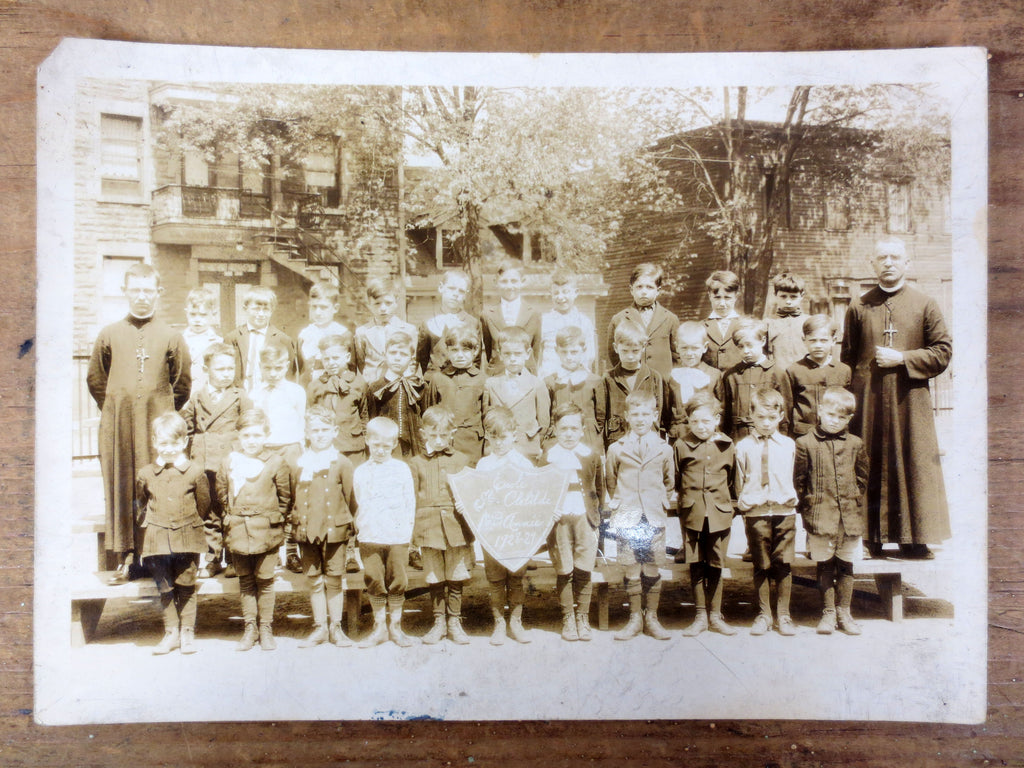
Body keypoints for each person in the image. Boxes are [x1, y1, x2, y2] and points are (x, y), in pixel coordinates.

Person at [841, 238, 952, 560]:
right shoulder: (859, 306)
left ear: (907, 263)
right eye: (881, 257)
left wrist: (903, 358)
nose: (888, 262)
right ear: (872, 264)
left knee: (913, 463)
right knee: (867, 463)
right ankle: (867, 537)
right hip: (869, 403)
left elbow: (943, 352)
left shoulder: (925, 303)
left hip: (909, 401)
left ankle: (914, 538)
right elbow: (847, 358)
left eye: (895, 257)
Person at [87, 263, 191, 584]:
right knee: (121, 487)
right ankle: (125, 556)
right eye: (136, 290)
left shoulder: (172, 336)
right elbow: (96, 379)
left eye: (149, 290)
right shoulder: (109, 334)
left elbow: (182, 384)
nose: (142, 297)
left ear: (157, 293)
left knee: (154, 483)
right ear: (125, 292)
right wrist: (121, 407)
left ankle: (155, 553)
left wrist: (155, 407)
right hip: (118, 427)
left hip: (155, 426)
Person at [213, 408, 292, 651]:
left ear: (266, 436)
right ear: (238, 437)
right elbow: (222, 494)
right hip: (238, 531)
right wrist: (234, 517)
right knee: (245, 581)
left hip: (267, 532)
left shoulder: (276, 462)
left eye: (257, 435)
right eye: (246, 436)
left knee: (265, 581)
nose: (251, 441)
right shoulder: (229, 462)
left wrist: (272, 520)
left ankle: (266, 627)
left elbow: (285, 498)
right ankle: (250, 628)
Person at [135, 412, 211, 655]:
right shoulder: (146, 474)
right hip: (157, 540)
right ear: (155, 443)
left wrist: (187, 523)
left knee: (186, 584)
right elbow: (140, 504)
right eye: (163, 443)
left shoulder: (195, 472)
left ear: (184, 442)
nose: (168, 449)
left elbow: (204, 505)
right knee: (165, 588)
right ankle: (171, 633)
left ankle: (187, 632)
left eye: (174, 443)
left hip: (187, 537)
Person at [794, 387, 869, 636]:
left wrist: (850, 500)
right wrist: (812, 506)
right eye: (830, 414)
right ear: (820, 411)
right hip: (820, 515)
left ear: (849, 418)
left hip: (848, 517)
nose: (835, 420)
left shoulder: (856, 444)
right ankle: (827, 612)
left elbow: (862, 480)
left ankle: (844, 612)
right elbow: (800, 481)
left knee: (846, 564)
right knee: (825, 564)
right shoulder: (805, 443)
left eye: (841, 417)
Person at [605, 391, 676, 641]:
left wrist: (657, 501)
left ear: (655, 415)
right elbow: (611, 480)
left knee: (652, 564)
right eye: (635, 414)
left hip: (653, 514)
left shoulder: (664, 449)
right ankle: (635, 618)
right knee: (632, 566)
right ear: (626, 416)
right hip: (628, 514)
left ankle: (652, 618)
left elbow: (669, 482)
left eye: (646, 414)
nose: (640, 419)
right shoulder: (616, 449)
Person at [179, 342, 253, 578]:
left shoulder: (239, 395)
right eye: (220, 369)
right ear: (206, 369)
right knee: (209, 512)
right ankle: (212, 559)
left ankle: (233, 558)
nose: (226, 374)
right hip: (204, 462)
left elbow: (249, 424)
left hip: (230, 462)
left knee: (230, 509)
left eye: (230, 369)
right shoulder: (198, 397)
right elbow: (187, 428)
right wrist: (192, 456)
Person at [290, 405, 357, 648]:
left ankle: (336, 628)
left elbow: (351, 499)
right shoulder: (299, 463)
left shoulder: (341, 463)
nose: (319, 434)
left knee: (334, 579)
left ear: (334, 431)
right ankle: (319, 627)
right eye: (314, 430)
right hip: (307, 531)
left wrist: (345, 525)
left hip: (334, 532)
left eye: (324, 430)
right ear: (307, 432)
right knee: (315, 580)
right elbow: (291, 495)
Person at [408, 406, 475, 645]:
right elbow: (411, 498)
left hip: (456, 527)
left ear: (452, 434)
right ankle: (438, 621)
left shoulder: (462, 460)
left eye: (443, 435)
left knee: (455, 575)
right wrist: (414, 534)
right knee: (435, 576)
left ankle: (454, 621)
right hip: (428, 528)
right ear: (423, 433)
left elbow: (470, 496)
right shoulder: (415, 463)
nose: (438, 440)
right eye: (433, 435)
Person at [734, 388, 799, 636]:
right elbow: (739, 479)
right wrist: (747, 501)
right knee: (761, 564)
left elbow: (795, 475)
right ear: (751, 415)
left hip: (784, 510)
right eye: (760, 417)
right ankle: (764, 614)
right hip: (756, 512)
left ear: (781, 416)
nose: (766, 423)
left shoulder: (789, 445)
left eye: (771, 418)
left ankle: (784, 615)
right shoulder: (743, 447)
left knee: (783, 563)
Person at [673, 393, 737, 637]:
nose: (701, 426)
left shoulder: (727, 446)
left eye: (706, 421)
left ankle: (715, 615)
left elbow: (732, 481)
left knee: (716, 563)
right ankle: (700, 615)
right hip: (692, 514)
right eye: (695, 421)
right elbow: (677, 480)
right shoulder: (680, 446)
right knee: (697, 564)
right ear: (688, 421)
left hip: (719, 513)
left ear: (717, 420)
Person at [540, 403, 603, 642]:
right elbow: (540, 491)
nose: (568, 434)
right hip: (559, 520)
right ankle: (568, 616)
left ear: (582, 429)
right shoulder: (547, 456)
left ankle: (582, 617)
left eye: (574, 429)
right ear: (555, 429)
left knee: (584, 566)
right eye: (563, 428)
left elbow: (599, 489)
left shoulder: (590, 455)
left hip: (584, 517)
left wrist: (597, 518)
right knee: (564, 568)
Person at [353, 417, 418, 648]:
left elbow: (409, 502)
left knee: (398, 580)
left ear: (394, 444)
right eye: (376, 444)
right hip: (370, 535)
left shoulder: (401, 469)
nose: (380, 450)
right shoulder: (360, 472)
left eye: (385, 445)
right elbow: (358, 502)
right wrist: (362, 528)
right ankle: (379, 628)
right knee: (374, 579)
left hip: (397, 536)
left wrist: (407, 534)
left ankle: (396, 628)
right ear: (367, 441)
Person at [475, 407, 536, 645]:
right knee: (495, 578)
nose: (498, 442)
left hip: (516, 530)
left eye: (503, 436)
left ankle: (515, 622)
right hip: (493, 531)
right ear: (487, 436)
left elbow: (533, 499)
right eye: (493, 436)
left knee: (516, 576)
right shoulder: (483, 465)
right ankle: (499, 623)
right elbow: (477, 498)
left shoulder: (524, 464)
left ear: (514, 434)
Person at [596, 320, 669, 449]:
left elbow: (659, 413)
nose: (630, 356)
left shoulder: (654, 377)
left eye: (635, 351)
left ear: (643, 347)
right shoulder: (608, 378)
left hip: (648, 442)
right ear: (615, 348)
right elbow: (601, 416)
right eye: (625, 351)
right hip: (618, 442)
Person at [483, 326, 550, 460]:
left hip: (527, 448)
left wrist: (537, 445)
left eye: (518, 353)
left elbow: (544, 422)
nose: (512, 358)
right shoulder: (491, 384)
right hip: (498, 449)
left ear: (528, 353)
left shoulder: (537, 384)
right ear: (500, 354)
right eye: (507, 354)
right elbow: (486, 418)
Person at [422, 324, 487, 461]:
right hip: (444, 443)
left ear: (475, 351)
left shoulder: (482, 380)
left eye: (465, 350)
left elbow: (486, 415)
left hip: (472, 443)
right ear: (447, 351)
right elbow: (429, 412)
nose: (460, 355)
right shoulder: (438, 378)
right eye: (454, 350)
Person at [718, 319, 789, 440]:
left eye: (750, 345)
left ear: (762, 341)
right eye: (740, 346)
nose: (745, 351)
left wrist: (782, 439)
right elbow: (726, 414)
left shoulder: (777, 373)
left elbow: (785, 413)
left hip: (769, 436)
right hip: (738, 437)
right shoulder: (731, 376)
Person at [607, 263, 679, 378]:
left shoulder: (670, 319)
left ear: (658, 291)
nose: (644, 291)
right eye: (639, 287)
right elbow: (613, 355)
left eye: (649, 287)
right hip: (632, 381)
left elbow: (677, 355)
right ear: (631, 290)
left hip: (663, 384)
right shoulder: (619, 319)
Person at [306, 332, 368, 466]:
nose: (331, 363)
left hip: (352, 446)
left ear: (346, 357)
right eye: (326, 359)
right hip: (325, 446)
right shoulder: (315, 386)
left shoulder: (358, 383)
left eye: (335, 358)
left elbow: (364, 416)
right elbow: (310, 416)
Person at [785, 314, 852, 438]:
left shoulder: (844, 371)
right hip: (803, 436)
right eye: (812, 340)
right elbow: (787, 409)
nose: (818, 345)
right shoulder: (794, 371)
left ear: (834, 340)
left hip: (836, 436)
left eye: (823, 340)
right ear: (803, 340)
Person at [223, 286, 297, 394]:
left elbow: (290, 374)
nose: (261, 314)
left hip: (271, 396)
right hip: (240, 396)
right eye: (256, 309)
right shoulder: (232, 338)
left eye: (266, 309)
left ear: (272, 310)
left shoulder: (283, 340)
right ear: (245, 309)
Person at [366, 330, 425, 458]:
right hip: (385, 447)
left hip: (412, 446)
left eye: (403, 354)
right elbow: (372, 417)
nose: (397, 357)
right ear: (385, 355)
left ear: (411, 358)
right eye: (393, 353)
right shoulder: (376, 387)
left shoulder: (418, 386)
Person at [543, 325, 601, 451]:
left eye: (574, 352)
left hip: (588, 440)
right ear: (556, 350)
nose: (569, 357)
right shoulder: (550, 382)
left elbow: (601, 417)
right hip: (558, 440)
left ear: (584, 349)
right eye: (564, 352)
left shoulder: (595, 381)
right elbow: (546, 416)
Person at [417, 269, 484, 374]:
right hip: (435, 379)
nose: (456, 294)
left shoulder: (472, 323)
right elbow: (422, 357)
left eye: (461, 291)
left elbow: (476, 358)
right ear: (441, 287)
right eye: (451, 288)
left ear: (466, 295)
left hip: (462, 381)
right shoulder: (429, 322)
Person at [354, 277, 417, 385]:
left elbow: (413, 362)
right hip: (371, 387)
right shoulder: (362, 332)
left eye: (388, 303)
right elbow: (360, 363)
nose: (383, 308)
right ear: (369, 304)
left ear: (396, 303)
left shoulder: (408, 330)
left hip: (399, 387)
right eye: (377, 303)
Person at [482, 260, 541, 374]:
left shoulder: (534, 313)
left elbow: (535, 348)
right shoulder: (487, 314)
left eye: (514, 281)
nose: (509, 286)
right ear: (496, 282)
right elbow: (489, 349)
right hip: (497, 376)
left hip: (525, 375)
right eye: (504, 281)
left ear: (522, 282)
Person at [667, 321, 722, 440]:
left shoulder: (714, 375)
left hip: (706, 434)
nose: (689, 353)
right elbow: (666, 411)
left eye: (695, 348)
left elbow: (722, 410)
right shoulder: (672, 376)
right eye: (684, 348)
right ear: (677, 347)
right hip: (679, 435)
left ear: (704, 347)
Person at [537, 270, 596, 379]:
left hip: (577, 378)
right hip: (550, 379)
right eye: (556, 293)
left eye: (565, 292)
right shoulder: (543, 321)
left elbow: (590, 355)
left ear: (576, 292)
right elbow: (537, 356)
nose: (560, 297)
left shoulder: (584, 322)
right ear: (550, 294)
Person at [297, 281, 348, 383]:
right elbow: (300, 367)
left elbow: (350, 368)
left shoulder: (343, 334)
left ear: (335, 308)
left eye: (323, 307)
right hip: (309, 388)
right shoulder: (304, 334)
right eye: (314, 307)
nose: (318, 313)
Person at [180, 288, 222, 397]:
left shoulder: (219, 342)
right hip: (181, 400)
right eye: (193, 314)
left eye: (203, 315)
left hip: (207, 398)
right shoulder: (178, 339)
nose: (197, 319)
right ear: (186, 313)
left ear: (214, 314)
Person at [765, 273, 809, 372]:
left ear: (802, 296)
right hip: (778, 375)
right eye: (783, 296)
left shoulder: (809, 322)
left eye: (793, 297)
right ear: (775, 295)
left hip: (805, 375)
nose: (788, 301)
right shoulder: (767, 323)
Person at [702, 270, 743, 371]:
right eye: (717, 298)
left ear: (736, 297)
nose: (722, 303)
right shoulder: (701, 327)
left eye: (727, 298)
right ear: (709, 296)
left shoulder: (744, 325)